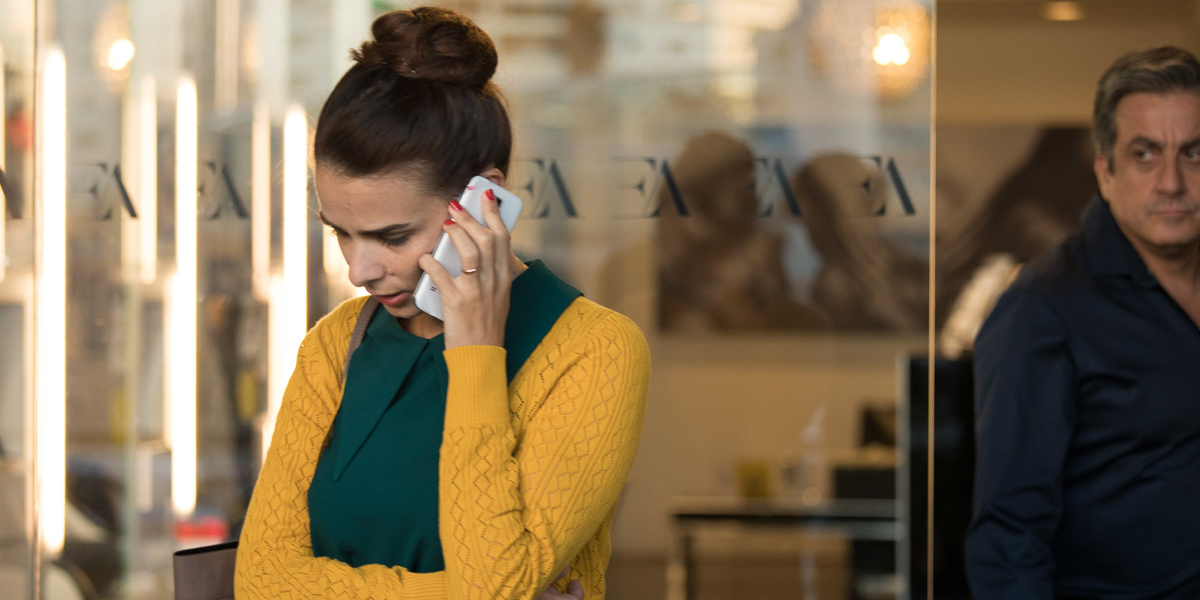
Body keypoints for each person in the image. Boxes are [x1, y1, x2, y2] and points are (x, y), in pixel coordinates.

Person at [233, 7, 651, 600]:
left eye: (393, 236)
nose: (359, 270)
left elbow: (493, 586)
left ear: (486, 201)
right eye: (340, 232)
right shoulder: (337, 345)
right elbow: (260, 582)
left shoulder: (593, 352)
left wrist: (477, 355)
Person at [966, 46, 1200, 598]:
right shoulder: (1044, 308)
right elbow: (1007, 539)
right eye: (1144, 154)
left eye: (1194, 153)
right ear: (1106, 172)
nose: (1172, 182)